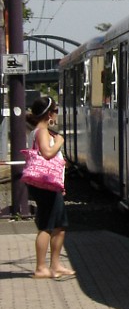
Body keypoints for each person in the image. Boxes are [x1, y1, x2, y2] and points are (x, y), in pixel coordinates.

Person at [25, 96, 75, 280]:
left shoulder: (39, 131)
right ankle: (41, 268)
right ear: (48, 114)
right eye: (55, 110)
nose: (56, 114)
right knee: (47, 225)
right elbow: (46, 153)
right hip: (45, 185)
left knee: (60, 225)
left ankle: (55, 265)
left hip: (50, 184)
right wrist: (60, 142)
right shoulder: (42, 131)